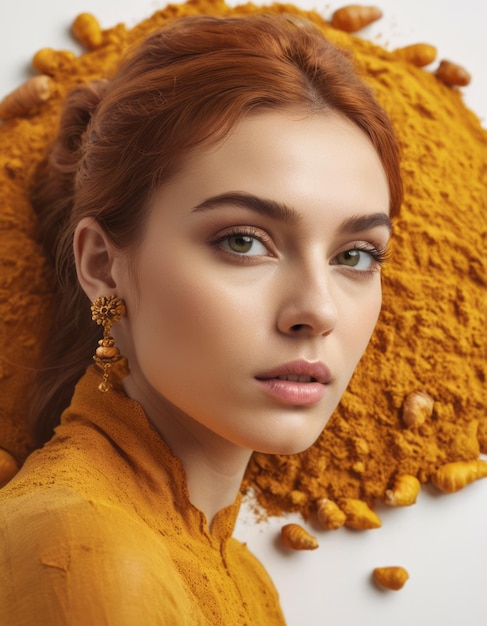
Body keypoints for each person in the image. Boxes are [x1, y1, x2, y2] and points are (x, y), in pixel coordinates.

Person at [0, 12, 402, 625]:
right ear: (103, 265)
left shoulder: (244, 578)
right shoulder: (85, 551)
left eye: (355, 255)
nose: (318, 310)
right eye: (243, 242)